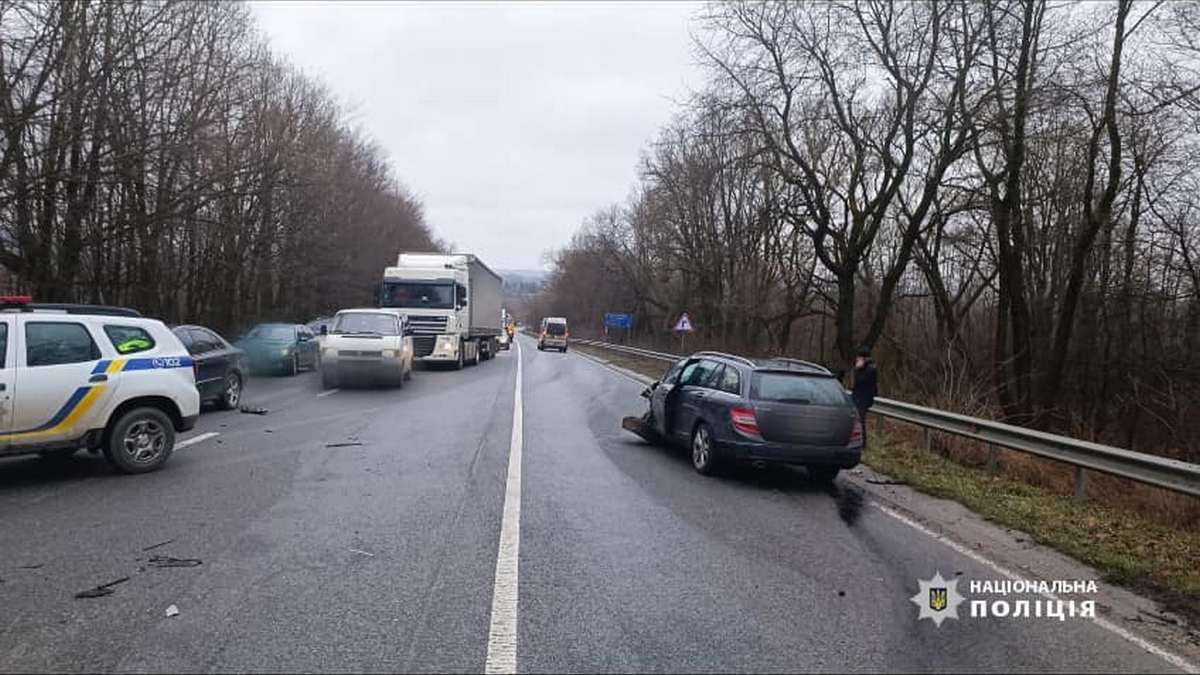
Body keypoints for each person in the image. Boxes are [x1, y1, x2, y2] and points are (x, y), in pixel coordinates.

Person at [852, 346, 879, 444]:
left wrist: (858, 370)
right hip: (859, 397)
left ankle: (862, 442)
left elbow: (861, 381)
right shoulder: (867, 367)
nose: (857, 359)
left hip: (864, 398)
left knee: (860, 420)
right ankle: (860, 441)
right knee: (858, 419)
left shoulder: (870, 369)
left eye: (858, 357)